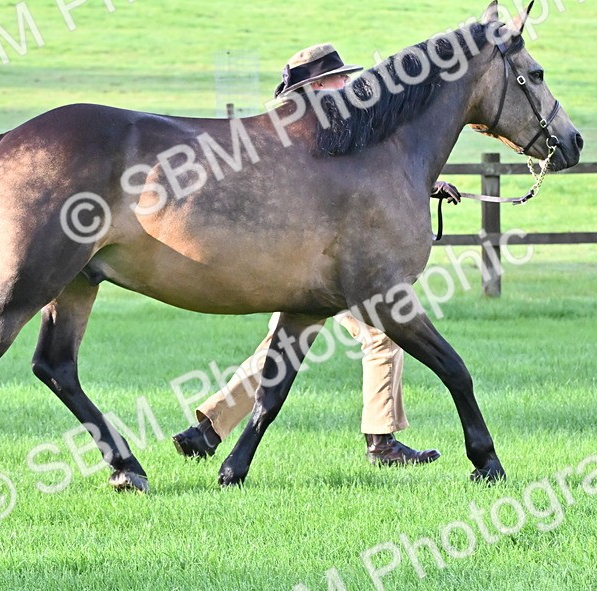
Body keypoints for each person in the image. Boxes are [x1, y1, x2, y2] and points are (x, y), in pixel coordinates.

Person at [172, 43, 461, 466]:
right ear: (317, 85)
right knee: (380, 333)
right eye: (338, 78)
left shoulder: (310, 128)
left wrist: (428, 186)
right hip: (327, 264)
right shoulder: (318, 131)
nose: (347, 84)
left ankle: (208, 429)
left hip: (311, 260)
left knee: (282, 347)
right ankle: (381, 442)